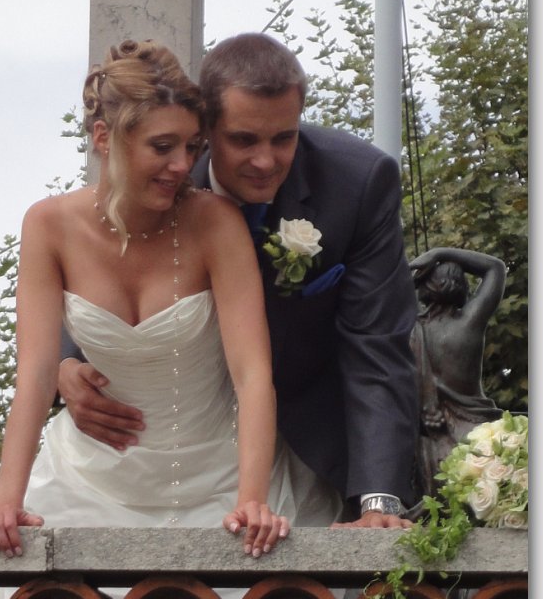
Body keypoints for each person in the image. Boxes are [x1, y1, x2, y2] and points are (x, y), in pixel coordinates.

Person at [0, 39, 343, 599]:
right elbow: (35, 374)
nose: (182, 166)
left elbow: (252, 373)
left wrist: (252, 500)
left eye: (191, 147)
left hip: (217, 473)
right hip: (93, 476)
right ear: (104, 138)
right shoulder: (47, 225)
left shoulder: (214, 222)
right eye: (163, 147)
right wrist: (7, 501)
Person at [58, 32, 420, 530]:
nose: (265, 161)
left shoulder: (359, 183)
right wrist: (66, 362)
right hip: (155, 444)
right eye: (244, 140)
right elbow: (95, 255)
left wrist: (379, 501)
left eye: (284, 138)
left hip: (303, 441)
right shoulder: (162, 175)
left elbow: (377, 345)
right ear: (206, 129)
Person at [409, 246, 506, 496]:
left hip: (431, 443)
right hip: (478, 436)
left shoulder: (410, 330)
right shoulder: (470, 323)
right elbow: (495, 268)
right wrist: (440, 253)